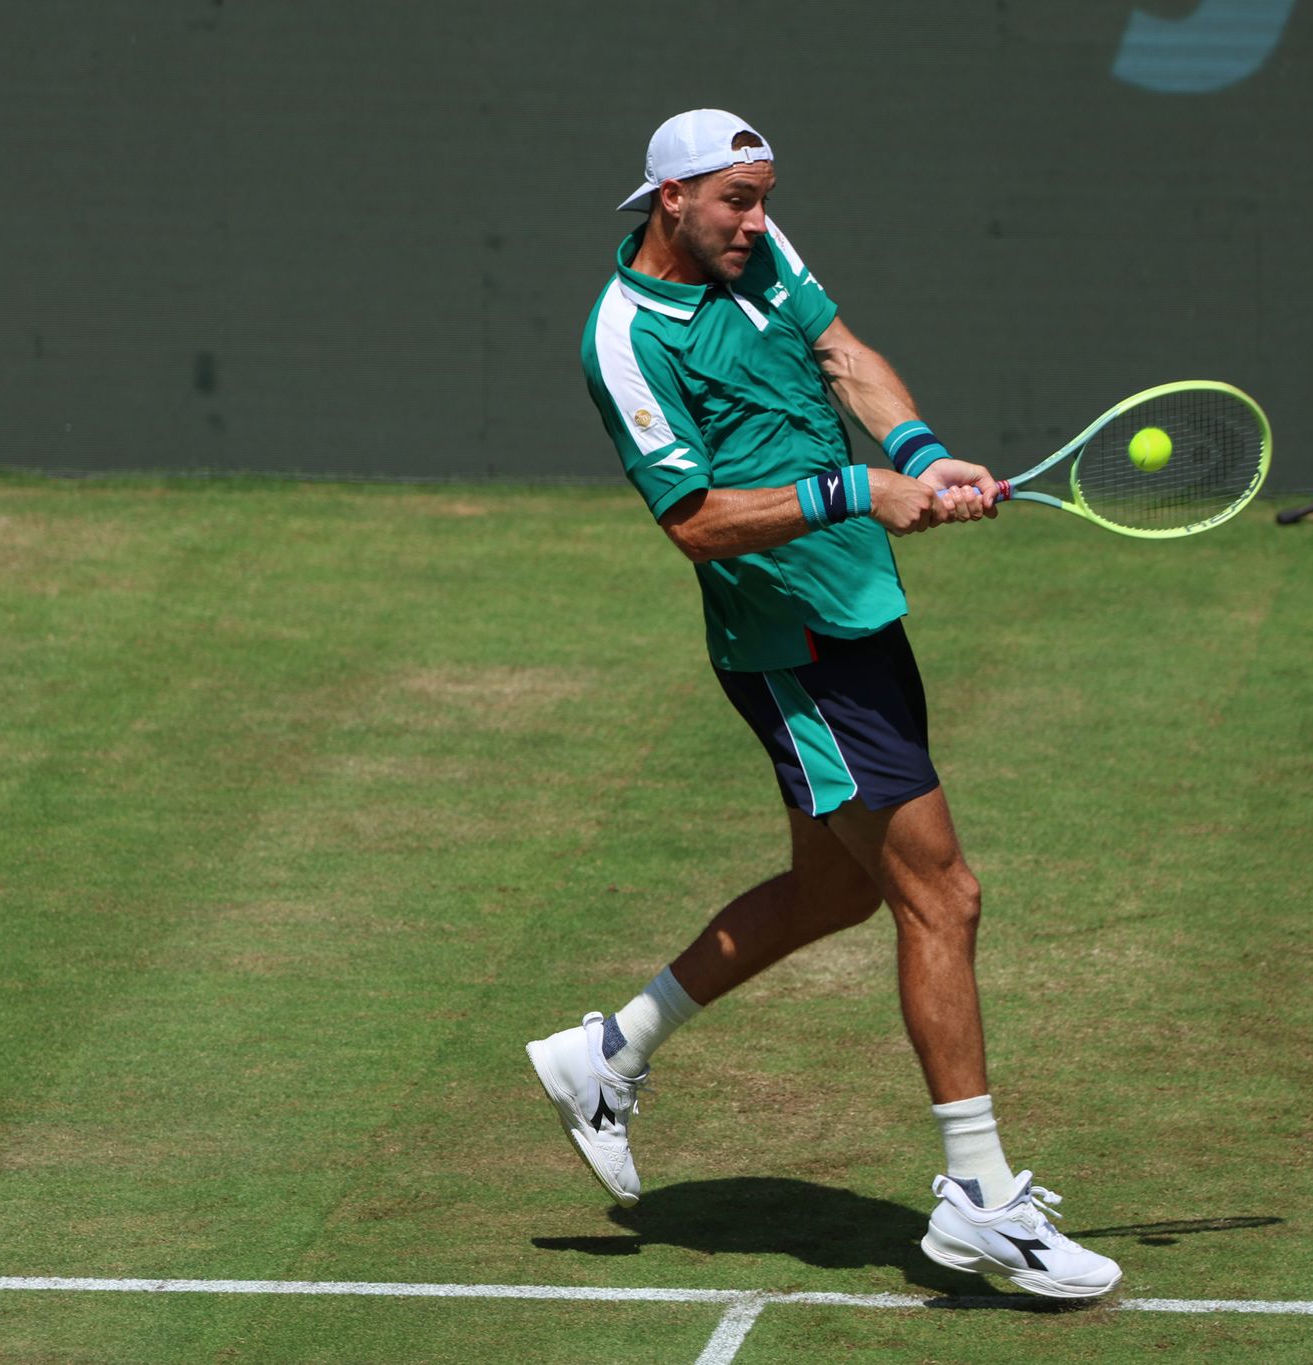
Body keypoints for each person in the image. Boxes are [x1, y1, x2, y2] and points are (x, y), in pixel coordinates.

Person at [529, 109, 1121, 1300]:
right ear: (669, 202)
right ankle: (978, 1200)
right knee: (940, 896)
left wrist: (917, 445)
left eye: (762, 198)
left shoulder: (756, 250)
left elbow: (841, 353)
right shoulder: (624, 338)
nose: (756, 220)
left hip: (854, 612)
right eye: (734, 202)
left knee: (837, 887)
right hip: (790, 643)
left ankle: (607, 1052)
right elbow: (692, 523)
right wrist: (857, 486)